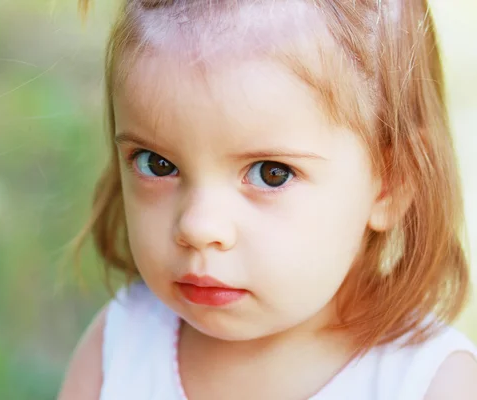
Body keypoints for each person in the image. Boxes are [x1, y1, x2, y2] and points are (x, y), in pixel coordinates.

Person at [58, 0, 477, 398]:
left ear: (390, 182)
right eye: (157, 164)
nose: (198, 227)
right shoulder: (122, 345)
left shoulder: (428, 384)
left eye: (270, 174)